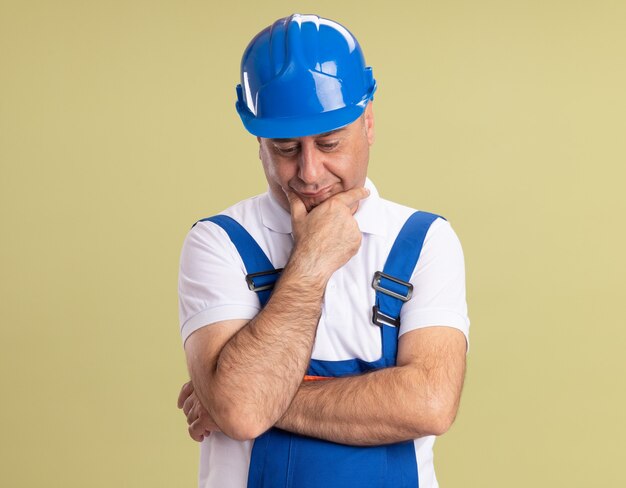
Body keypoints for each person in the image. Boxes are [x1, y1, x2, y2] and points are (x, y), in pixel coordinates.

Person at [176, 13, 469, 488]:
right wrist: (311, 262)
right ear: (259, 140)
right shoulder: (217, 241)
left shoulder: (424, 240)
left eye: (330, 143)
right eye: (286, 148)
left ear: (368, 122)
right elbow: (243, 410)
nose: (310, 173)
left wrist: (246, 398)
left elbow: (430, 403)